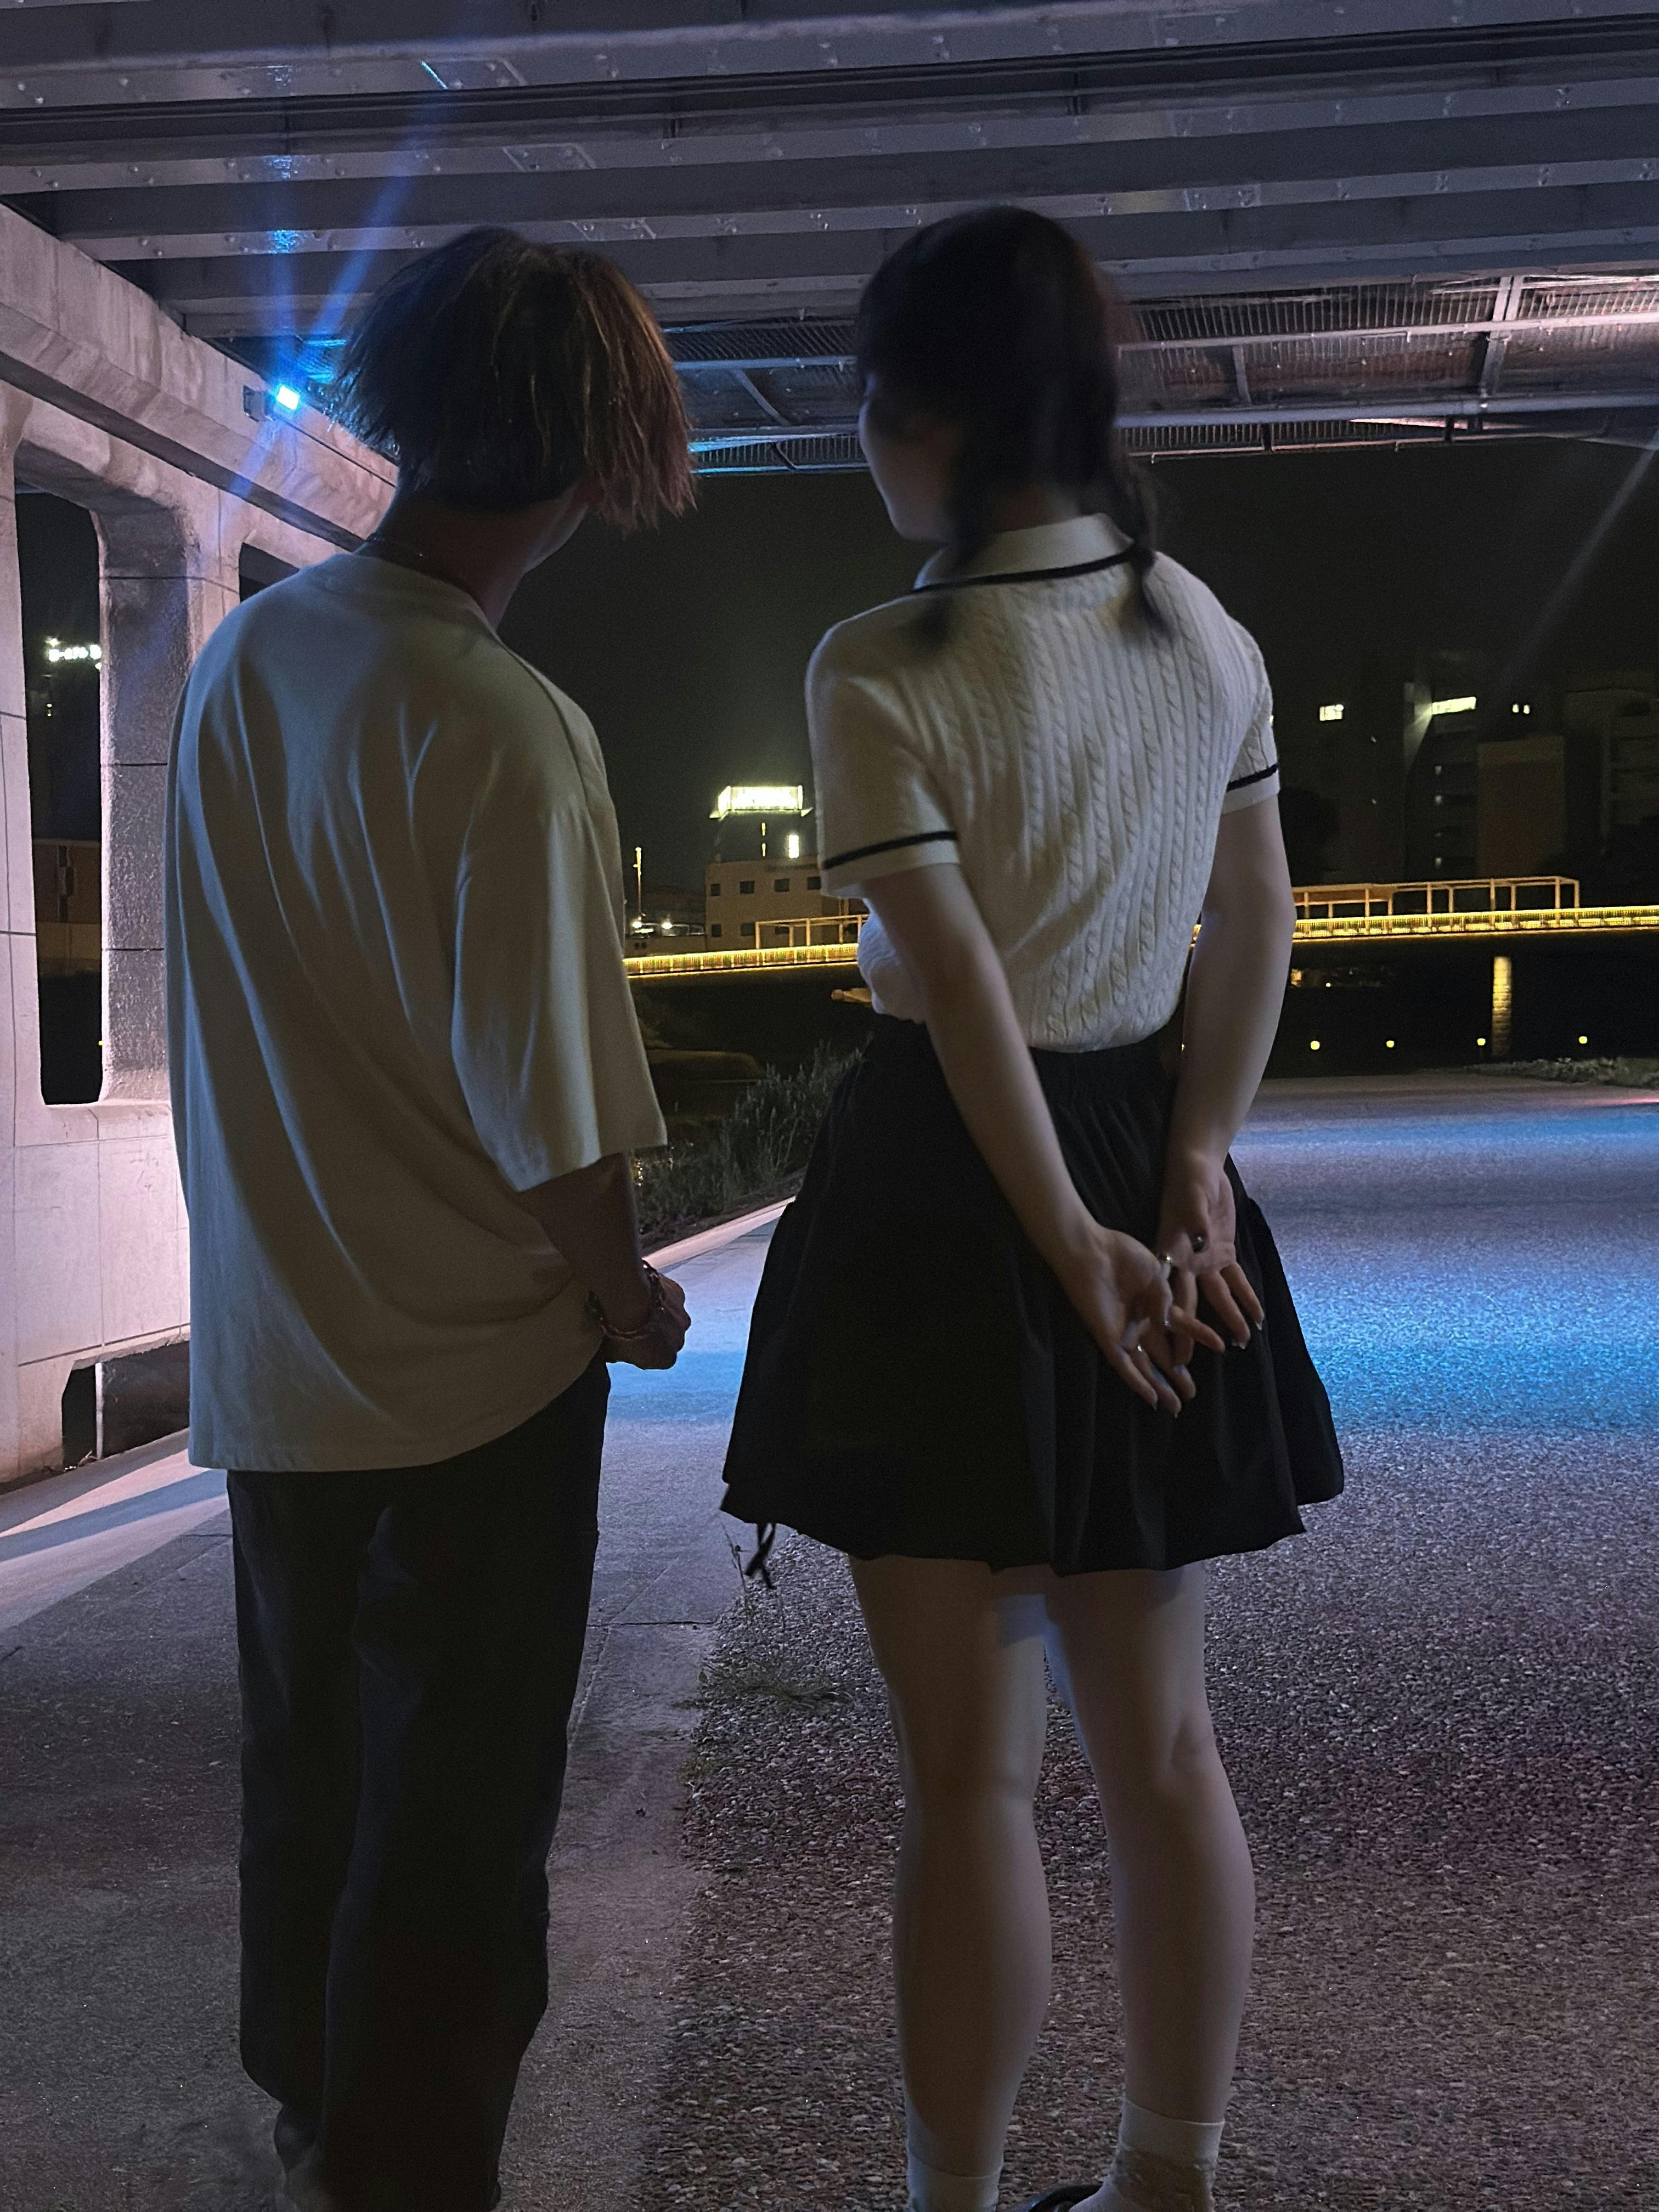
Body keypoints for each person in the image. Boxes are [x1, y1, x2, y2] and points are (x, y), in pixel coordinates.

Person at [721, 207, 1343, 2212]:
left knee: (970, 1777)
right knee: (1163, 1751)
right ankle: (1168, 2177)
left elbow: (962, 985)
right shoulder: (1201, 629)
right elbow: (1258, 917)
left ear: (932, 422)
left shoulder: (884, 661)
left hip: (941, 1188)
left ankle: (960, 2200)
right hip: (1151, 1148)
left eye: (869, 404)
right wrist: (1190, 1168)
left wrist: (1069, 1243)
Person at [163, 228, 693, 2212]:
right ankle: (403, 2171)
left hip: (278, 1347)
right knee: (460, 1810)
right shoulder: (504, 723)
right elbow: (554, 1111)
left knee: (307, 1762)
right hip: (475, 1376)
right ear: (592, 463)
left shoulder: (248, 658)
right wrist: (626, 1293)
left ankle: (315, 2106)